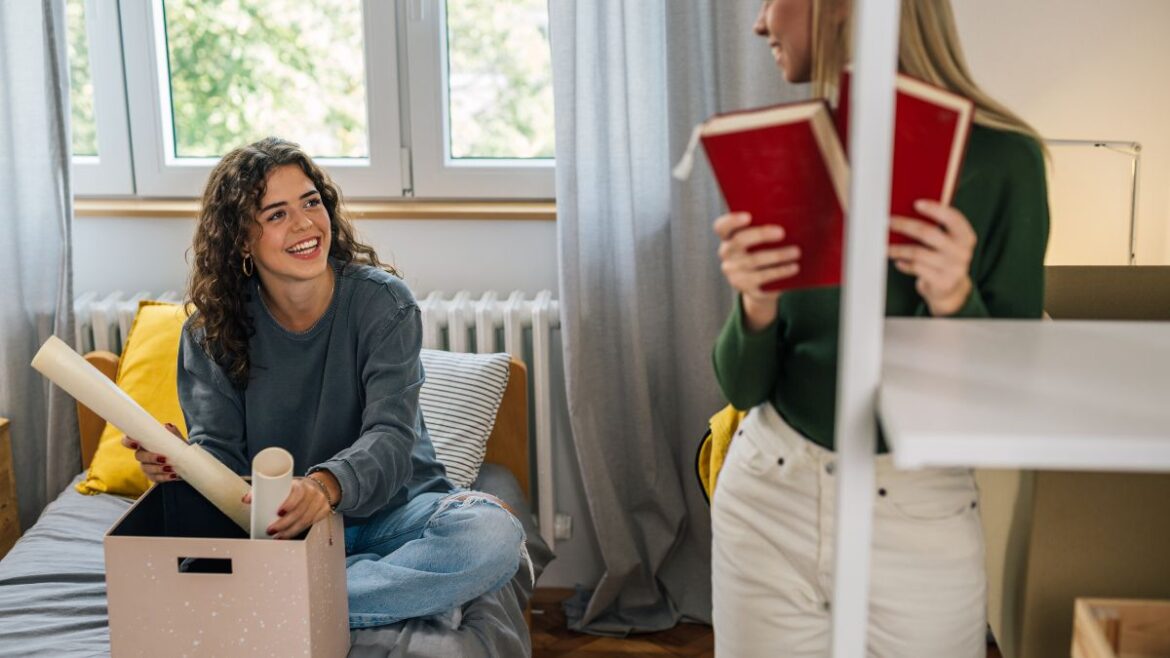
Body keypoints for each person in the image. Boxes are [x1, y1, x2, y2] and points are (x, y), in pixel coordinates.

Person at [710, 1, 1048, 655]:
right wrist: (753, 306)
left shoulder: (1006, 163)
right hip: (767, 498)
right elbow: (742, 386)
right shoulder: (793, 148)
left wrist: (955, 301)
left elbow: (1003, 399)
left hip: (919, 513)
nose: (758, 23)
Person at [123, 137, 526, 629]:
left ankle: (273, 602)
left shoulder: (383, 304)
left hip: (393, 520)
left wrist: (324, 485)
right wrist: (181, 463)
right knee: (170, 552)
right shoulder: (209, 334)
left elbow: (392, 440)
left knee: (491, 534)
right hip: (284, 533)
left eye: (311, 202)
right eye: (275, 214)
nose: (305, 225)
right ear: (240, 240)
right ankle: (374, 591)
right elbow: (223, 463)